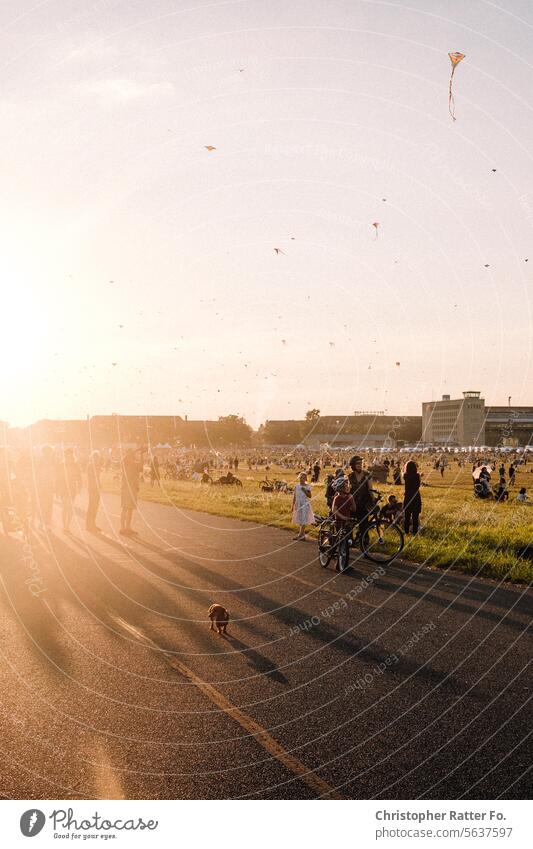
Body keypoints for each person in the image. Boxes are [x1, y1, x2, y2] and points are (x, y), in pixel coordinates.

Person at [348, 456, 375, 535]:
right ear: (353, 465)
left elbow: (370, 489)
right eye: (357, 463)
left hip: (364, 503)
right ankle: (349, 540)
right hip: (353, 504)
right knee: (350, 523)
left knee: (364, 524)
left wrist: (373, 500)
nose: (360, 465)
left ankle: (364, 541)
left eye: (361, 463)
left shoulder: (367, 474)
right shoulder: (350, 476)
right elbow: (348, 490)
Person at [56, 448, 82, 533]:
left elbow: (79, 477)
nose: (69, 456)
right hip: (63, 488)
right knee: (65, 507)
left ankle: (68, 525)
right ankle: (64, 526)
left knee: (70, 507)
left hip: (72, 488)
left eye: (70, 455)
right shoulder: (61, 465)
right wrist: (57, 489)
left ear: (72, 455)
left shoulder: (75, 465)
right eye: (67, 455)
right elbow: (58, 478)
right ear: (65, 456)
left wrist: (79, 486)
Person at [120, 447, 144, 536]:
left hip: (133, 488)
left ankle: (128, 527)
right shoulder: (125, 463)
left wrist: (141, 455)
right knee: (125, 508)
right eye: (130, 454)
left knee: (130, 509)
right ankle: (122, 528)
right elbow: (124, 459)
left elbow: (141, 467)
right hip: (126, 488)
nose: (132, 456)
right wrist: (132, 452)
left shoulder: (134, 464)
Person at [36, 445, 56, 530]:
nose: (48, 453)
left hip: (50, 486)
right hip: (42, 486)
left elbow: (55, 474)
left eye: (49, 452)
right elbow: (37, 473)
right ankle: (41, 521)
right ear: (43, 452)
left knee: (49, 504)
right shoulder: (40, 461)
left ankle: (47, 522)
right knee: (42, 504)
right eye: (46, 452)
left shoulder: (53, 461)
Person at [291, 472, 314, 540]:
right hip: (298, 504)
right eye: (301, 477)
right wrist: (293, 505)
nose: (302, 479)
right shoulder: (297, 486)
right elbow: (294, 496)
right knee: (300, 519)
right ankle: (303, 535)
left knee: (304, 519)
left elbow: (310, 496)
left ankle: (300, 535)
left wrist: (304, 491)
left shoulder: (307, 486)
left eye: (303, 478)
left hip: (304, 504)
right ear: (299, 478)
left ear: (306, 479)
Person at [403, 460, 422, 534]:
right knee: (415, 517)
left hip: (407, 496)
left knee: (407, 516)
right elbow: (419, 484)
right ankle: (414, 532)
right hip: (416, 497)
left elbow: (402, 473)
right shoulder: (417, 476)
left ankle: (406, 532)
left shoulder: (405, 475)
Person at [86, 450, 103, 532]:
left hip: (96, 488)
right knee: (92, 506)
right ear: (92, 458)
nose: (97, 459)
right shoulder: (90, 466)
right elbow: (92, 478)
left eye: (97, 458)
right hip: (92, 488)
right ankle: (89, 525)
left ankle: (92, 524)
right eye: (95, 457)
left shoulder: (96, 466)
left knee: (95, 506)